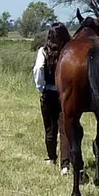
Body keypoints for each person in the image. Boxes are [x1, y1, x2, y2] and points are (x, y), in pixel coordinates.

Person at [33, 23, 71, 174]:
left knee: (50, 128)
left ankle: (51, 157)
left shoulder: (43, 51)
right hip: (64, 94)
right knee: (65, 129)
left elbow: (38, 69)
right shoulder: (67, 51)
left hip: (48, 92)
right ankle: (65, 165)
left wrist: (40, 88)